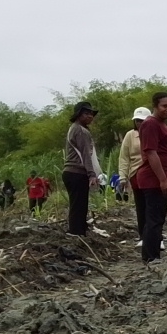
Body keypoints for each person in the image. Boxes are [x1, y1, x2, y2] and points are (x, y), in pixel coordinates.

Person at [136, 92, 167, 262]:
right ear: (155, 106)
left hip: (160, 178)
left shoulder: (160, 124)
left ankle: (152, 256)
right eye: (164, 106)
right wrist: (162, 180)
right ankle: (151, 258)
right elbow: (151, 153)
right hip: (153, 180)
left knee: (156, 219)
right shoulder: (151, 124)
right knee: (154, 220)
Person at [63, 101, 104, 236]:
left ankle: (80, 230)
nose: (90, 116)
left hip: (70, 172)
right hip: (77, 172)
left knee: (78, 204)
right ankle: (76, 233)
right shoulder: (81, 131)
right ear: (78, 115)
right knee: (79, 205)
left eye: (91, 114)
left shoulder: (73, 128)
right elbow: (86, 154)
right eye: (86, 113)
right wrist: (92, 174)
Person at [118, 106, 150, 244]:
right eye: (137, 121)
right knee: (141, 205)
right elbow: (124, 157)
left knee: (153, 205)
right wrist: (122, 177)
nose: (140, 123)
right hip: (136, 174)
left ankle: (154, 234)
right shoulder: (130, 135)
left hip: (152, 173)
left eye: (142, 120)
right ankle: (143, 234)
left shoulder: (154, 133)